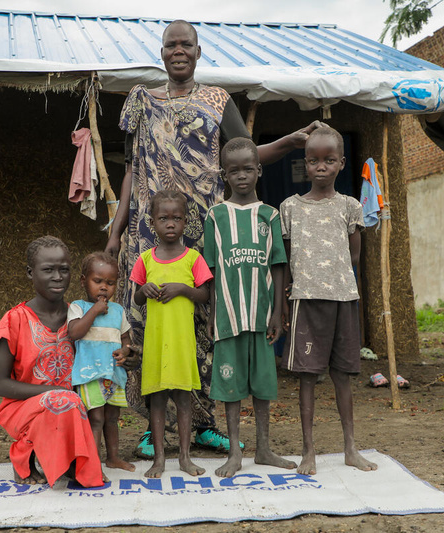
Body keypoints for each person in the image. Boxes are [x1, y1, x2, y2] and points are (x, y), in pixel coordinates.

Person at [105, 18, 321, 458]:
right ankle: (153, 429)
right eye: (171, 45)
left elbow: (243, 153)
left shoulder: (218, 99)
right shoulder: (139, 100)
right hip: (149, 234)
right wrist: (117, 229)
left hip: (206, 231)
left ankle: (202, 424)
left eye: (186, 44)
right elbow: (130, 170)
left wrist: (288, 142)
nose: (178, 50)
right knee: (150, 327)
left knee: (204, 325)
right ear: (162, 53)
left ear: (199, 52)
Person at [279, 127, 378, 476]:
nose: (321, 166)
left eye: (329, 160)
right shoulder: (289, 207)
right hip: (306, 300)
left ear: (341, 163)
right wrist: (287, 298)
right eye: (313, 160)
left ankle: (350, 447)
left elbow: (354, 256)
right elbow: (286, 259)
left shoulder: (350, 206)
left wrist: (339, 283)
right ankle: (309, 452)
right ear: (305, 164)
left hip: (342, 299)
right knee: (307, 377)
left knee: (343, 376)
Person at [203, 137, 297, 478]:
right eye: (233, 170)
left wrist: (277, 312)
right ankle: (234, 454)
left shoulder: (269, 216)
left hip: (260, 318)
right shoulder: (216, 216)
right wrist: (212, 315)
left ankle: (265, 449)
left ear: (259, 170)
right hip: (228, 317)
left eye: (247, 168)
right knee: (230, 389)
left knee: (262, 384)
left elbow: (278, 266)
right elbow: (211, 272)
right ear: (224, 175)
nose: (241, 176)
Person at [0, 236, 104, 488]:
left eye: (64, 270)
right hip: (24, 408)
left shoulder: (80, 318)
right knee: (64, 400)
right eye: (48, 270)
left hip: (73, 409)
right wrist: (51, 391)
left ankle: (69, 461)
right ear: (30, 273)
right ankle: (25, 454)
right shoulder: (15, 320)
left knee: (74, 400)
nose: (57, 277)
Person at [129, 191, 213, 478]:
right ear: (152, 223)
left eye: (176, 218)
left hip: (181, 343)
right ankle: (160, 460)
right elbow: (137, 300)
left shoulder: (193, 258)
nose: (170, 224)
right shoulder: (145, 260)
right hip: (155, 344)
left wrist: (183, 289)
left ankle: (185, 458)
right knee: (157, 399)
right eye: (163, 218)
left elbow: (204, 294)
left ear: (185, 221)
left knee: (184, 398)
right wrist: (144, 290)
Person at [67, 251, 136, 475]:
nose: (104, 287)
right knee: (95, 418)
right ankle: (93, 464)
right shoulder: (78, 307)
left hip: (114, 375)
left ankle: (113, 457)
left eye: (110, 283)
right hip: (89, 374)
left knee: (112, 417)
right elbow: (75, 333)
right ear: (83, 280)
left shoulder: (118, 311)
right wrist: (94, 311)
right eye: (97, 281)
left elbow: (126, 340)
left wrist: (125, 351)